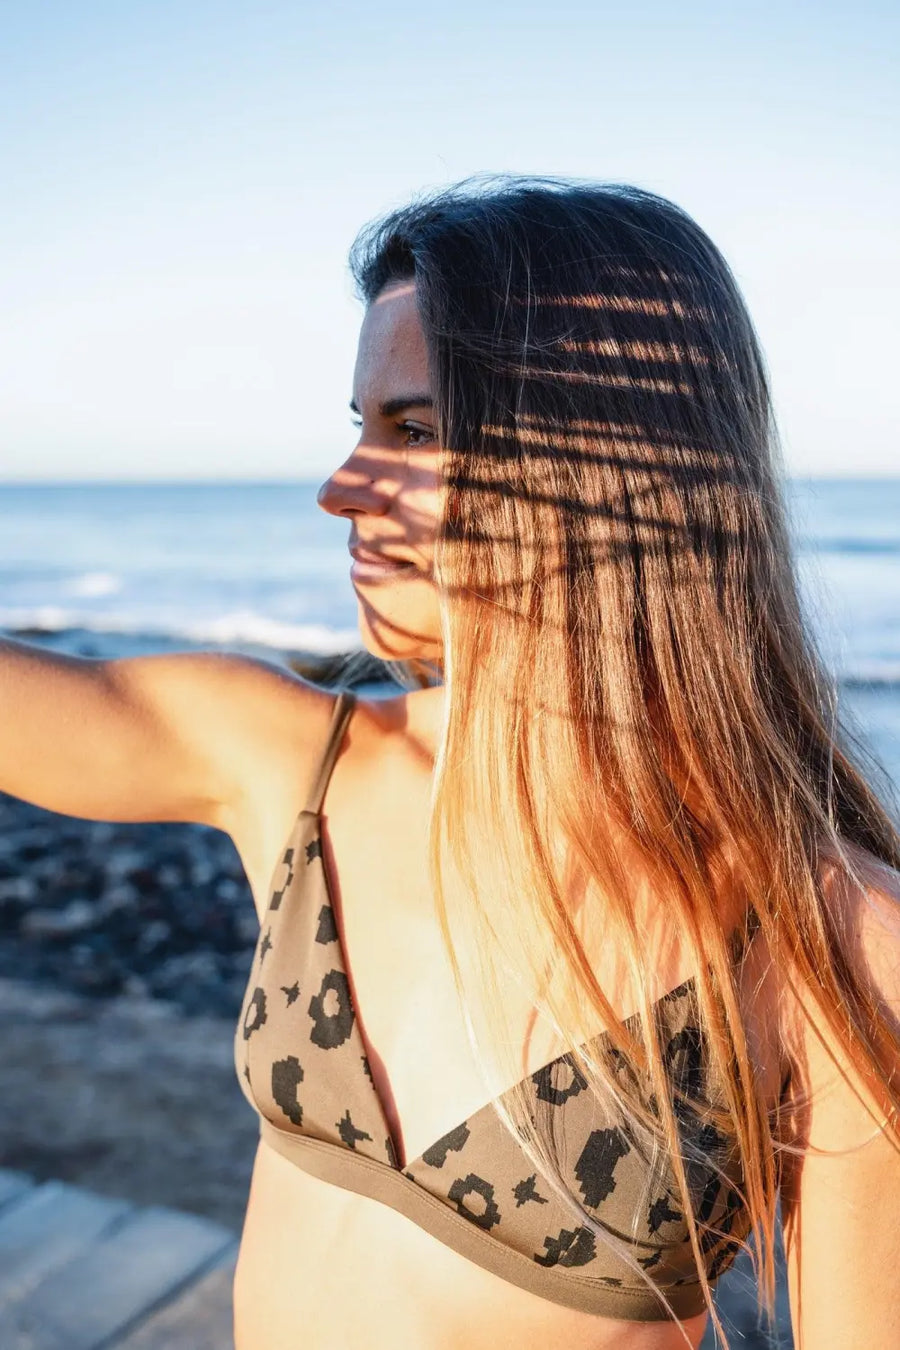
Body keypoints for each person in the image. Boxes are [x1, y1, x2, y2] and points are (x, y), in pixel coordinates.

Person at [2, 176, 899, 1350]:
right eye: (362, 424)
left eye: (414, 430)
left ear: (605, 462)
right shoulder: (299, 764)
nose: (340, 490)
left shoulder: (832, 943)